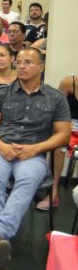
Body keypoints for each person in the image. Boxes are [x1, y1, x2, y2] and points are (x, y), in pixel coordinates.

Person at [0, 48, 70, 265]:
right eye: (19, 62)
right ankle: (1, 235)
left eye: (28, 62)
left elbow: (63, 134)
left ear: (41, 67)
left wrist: (36, 148)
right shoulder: (1, 93)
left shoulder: (55, 98)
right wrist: (1, 146)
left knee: (28, 180)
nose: (21, 66)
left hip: (33, 153)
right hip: (0, 149)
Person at [45, 74, 78, 212]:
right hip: (69, 125)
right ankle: (53, 192)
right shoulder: (69, 82)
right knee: (58, 146)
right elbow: (57, 109)